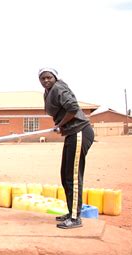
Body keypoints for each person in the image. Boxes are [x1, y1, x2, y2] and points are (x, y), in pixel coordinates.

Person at [39, 68, 94, 229]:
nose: (46, 80)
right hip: (72, 132)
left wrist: (60, 125)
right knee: (65, 174)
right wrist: (62, 126)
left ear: (55, 77)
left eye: (49, 77)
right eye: (42, 78)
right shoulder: (48, 92)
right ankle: (72, 212)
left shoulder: (59, 88)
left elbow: (73, 108)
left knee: (73, 176)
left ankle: (76, 218)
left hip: (79, 131)